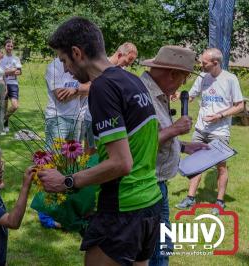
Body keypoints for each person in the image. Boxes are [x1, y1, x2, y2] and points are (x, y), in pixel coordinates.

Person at [39, 17, 162, 266]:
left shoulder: (102, 87)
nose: (64, 69)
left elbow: (121, 163)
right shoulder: (132, 80)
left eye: (64, 60)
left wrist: (66, 182)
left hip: (122, 208)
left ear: (77, 53)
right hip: (150, 203)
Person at [140, 45, 209, 266]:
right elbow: (137, 144)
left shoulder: (157, 93)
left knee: (161, 243)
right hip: (148, 185)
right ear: (172, 74)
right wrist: (174, 130)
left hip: (156, 183)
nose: (183, 85)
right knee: (158, 248)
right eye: (184, 78)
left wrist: (183, 146)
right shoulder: (143, 96)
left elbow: (154, 135)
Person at [176, 48, 244, 215]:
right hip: (200, 129)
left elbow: (240, 105)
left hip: (219, 131)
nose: (201, 65)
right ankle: (190, 198)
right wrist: (176, 93)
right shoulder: (203, 77)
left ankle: (219, 202)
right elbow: (191, 96)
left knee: (221, 166)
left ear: (215, 63)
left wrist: (220, 115)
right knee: (195, 163)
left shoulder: (230, 79)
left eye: (204, 63)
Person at [44, 57, 88, 145]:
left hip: (76, 118)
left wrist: (74, 90)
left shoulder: (79, 64)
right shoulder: (53, 67)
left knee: (72, 156)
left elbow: (91, 87)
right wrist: (80, 90)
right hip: (57, 119)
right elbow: (61, 96)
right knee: (54, 156)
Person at [0, 39, 22, 132]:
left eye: (11, 46)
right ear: (5, 46)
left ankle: (2, 119)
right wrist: (12, 70)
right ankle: (5, 126)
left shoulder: (16, 59)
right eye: (8, 45)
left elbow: (19, 72)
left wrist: (8, 71)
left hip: (13, 84)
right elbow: (1, 72)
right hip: (3, 84)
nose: (9, 47)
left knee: (15, 106)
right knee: (4, 107)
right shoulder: (1, 58)